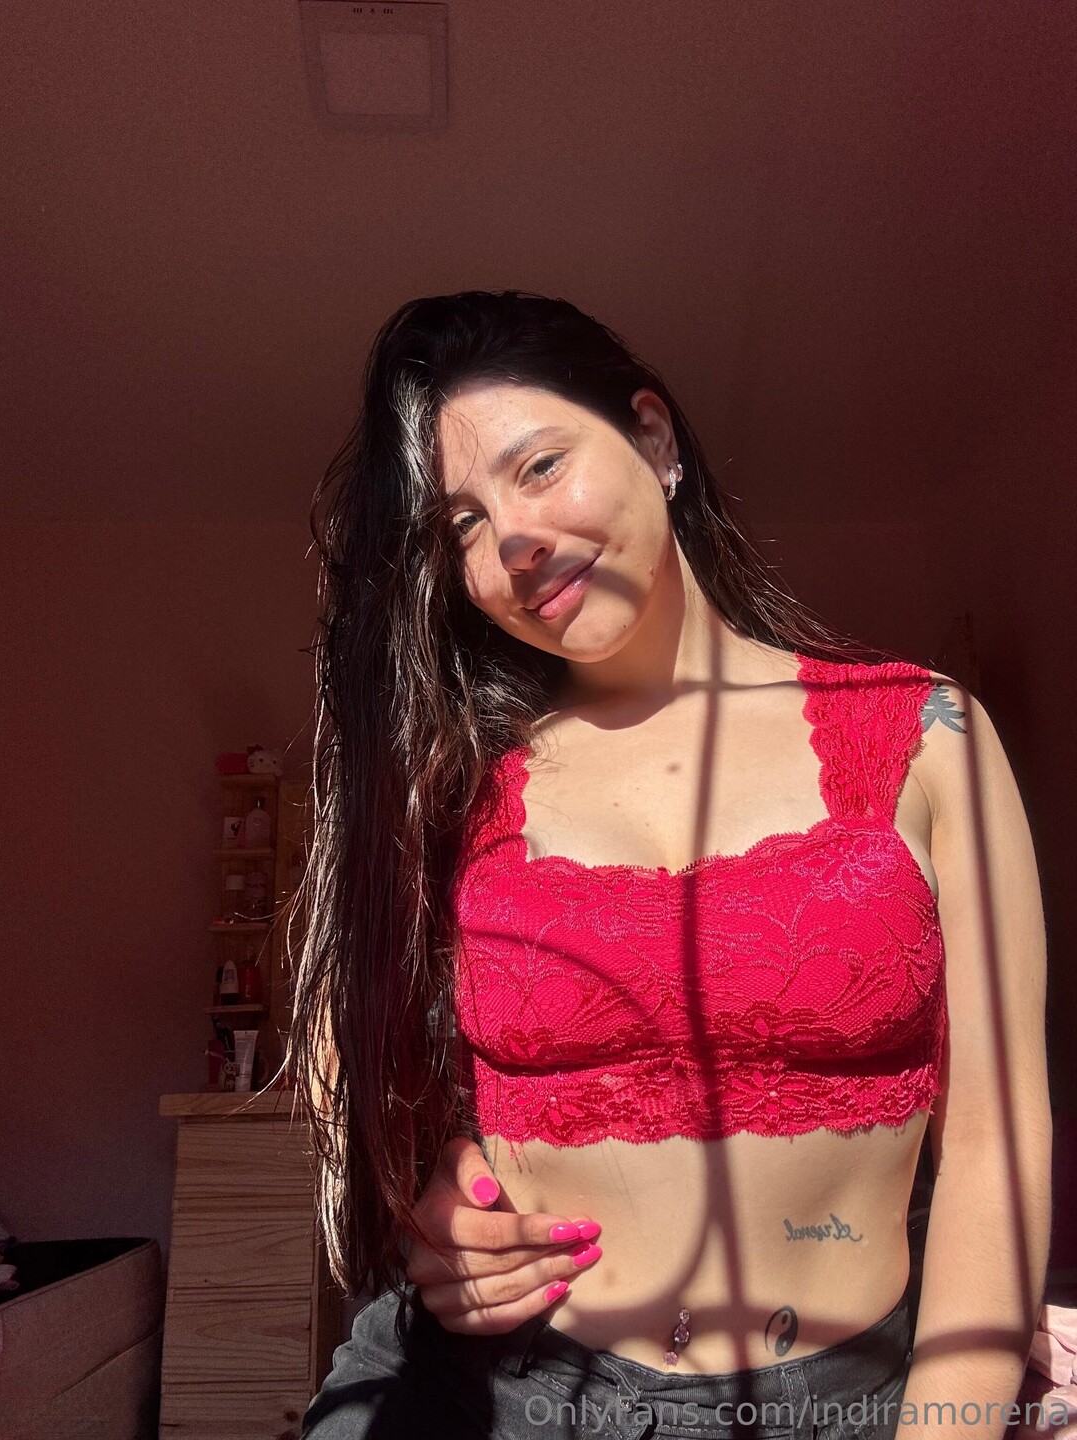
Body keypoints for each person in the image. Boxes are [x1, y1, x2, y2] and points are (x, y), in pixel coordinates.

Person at [294, 290, 1052, 1439]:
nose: (513, 540)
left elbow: (997, 1146)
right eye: (462, 527)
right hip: (499, 1398)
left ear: (654, 440)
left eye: (541, 466)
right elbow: (339, 1056)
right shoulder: (455, 785)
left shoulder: (925, 733)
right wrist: (425, 1211)